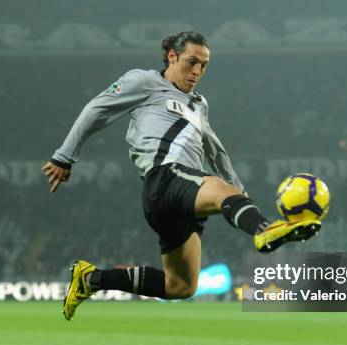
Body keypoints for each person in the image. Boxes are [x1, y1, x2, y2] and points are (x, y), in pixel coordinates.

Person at [42, 31, 321, 320]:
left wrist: (238, 190)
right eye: (192, 62)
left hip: (176, 197)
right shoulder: (145, 81)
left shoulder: (199, 104)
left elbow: (214, 149)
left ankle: (91, 279)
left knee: (181, 286)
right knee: (219, 189)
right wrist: (64, 155)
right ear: (172, 57)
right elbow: (96, 109)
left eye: (204, 65)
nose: (198, 71)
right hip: (164, 177)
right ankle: (264, 229)